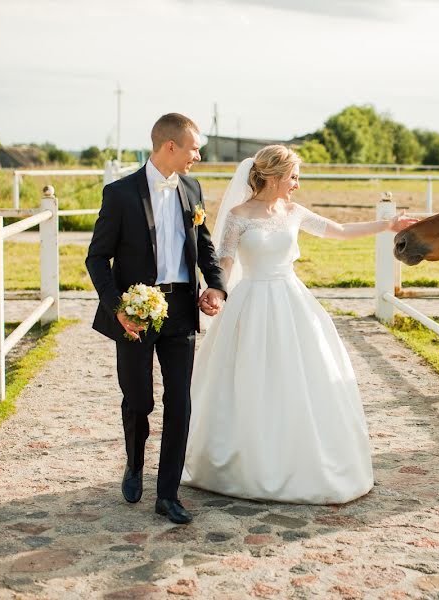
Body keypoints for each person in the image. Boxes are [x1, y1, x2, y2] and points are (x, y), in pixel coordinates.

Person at [182, 145, 416, 504]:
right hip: (251, 305)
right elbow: (225, 263)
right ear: (274, 176)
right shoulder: (238, 215)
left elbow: (338, 230)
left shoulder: (294, 212)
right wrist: (216, 292)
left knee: (302, 376)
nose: (297, 184)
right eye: (293, 176)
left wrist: (388, 225)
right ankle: (246, 463)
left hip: (291, 302)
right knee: (250, 379)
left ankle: (302, 461)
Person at [85, 113, 227, 524]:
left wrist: (214, 285)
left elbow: (205, 246)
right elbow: (97, 257)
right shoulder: (120, 194)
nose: (198, 156)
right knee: (139, 399)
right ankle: (133, 464)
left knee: (179, 401)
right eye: (194, 148)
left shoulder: (192, 188)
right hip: (135, 312)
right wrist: (117, 308)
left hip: (182, 307)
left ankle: (168, 494)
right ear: (170, 147)